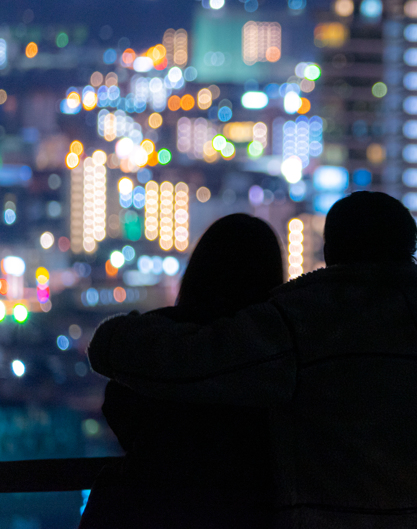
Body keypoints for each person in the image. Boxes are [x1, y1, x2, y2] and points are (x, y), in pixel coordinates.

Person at [88, 191, 417, 529]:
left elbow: (189, 362)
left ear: (331, 252)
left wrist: (115, 338)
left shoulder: (307, 321)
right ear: (408, 252)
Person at [81, 213, 282, 529]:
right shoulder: (277, 356)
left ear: (198, 270)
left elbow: (118, 404)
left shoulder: (156, 339)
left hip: (147, 508)